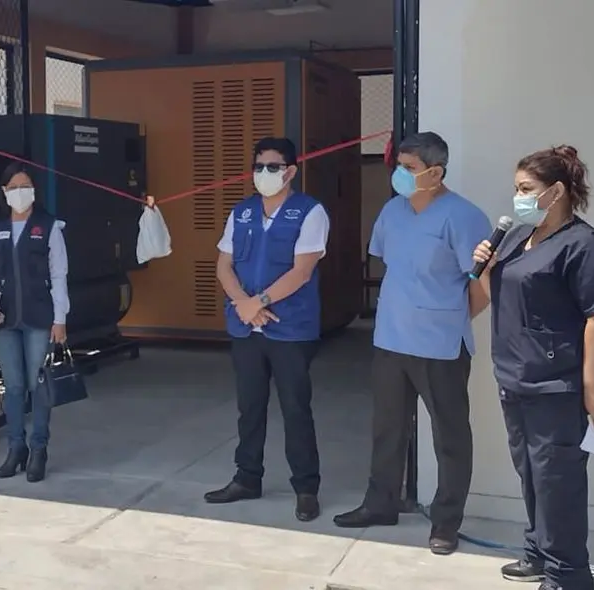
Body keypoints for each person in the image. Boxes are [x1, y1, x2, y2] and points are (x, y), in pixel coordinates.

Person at [333, 132, 491, 555]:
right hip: (391, 339)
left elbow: (482, 287)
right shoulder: (393, 211)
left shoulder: (463, 217)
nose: (400, 175)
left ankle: (446, 522)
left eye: (409, 168)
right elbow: (391, 263)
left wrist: (450, 317)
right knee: (387, 428)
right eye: (398, 166)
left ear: (435, 173)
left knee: (450, 437)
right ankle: (380, 502)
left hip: (440, 345)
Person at [471, 146, 594, 590]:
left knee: (558, 484)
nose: (517, 198)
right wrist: (485, 270)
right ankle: (538, 551)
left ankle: (567, 576)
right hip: (515, 379)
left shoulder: (585, 245)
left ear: (557, 192)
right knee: (531, 475)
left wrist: (591, 388)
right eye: (516, 189)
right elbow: (495, 296)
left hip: (558, 386)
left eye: (525, 189)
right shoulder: (516, 238)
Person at [203, 137, 329, 522]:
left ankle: (306, 488)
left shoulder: (310, 212)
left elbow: (302, 270)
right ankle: (247, 478)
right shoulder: (241, 213)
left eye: (272, 167)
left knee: (295, 409)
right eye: (258, 167)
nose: (263, 174)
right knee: (249, 408)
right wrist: (243, 303)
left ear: (290, 171)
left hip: (290, 329)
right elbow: (224, 265)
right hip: (246, 328)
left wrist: (258, 303)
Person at [0, 162, 69, 483]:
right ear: (4, 191)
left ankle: (39, 448)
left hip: (40, 317)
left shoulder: (50, 226)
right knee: (13, 386)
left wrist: (60, 318)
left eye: (25, 185)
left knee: (38, 384)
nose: (20, 192)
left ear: (34, 190)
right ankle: (16, 448)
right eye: (13, 187)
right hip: (4, 319)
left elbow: (59, 275)